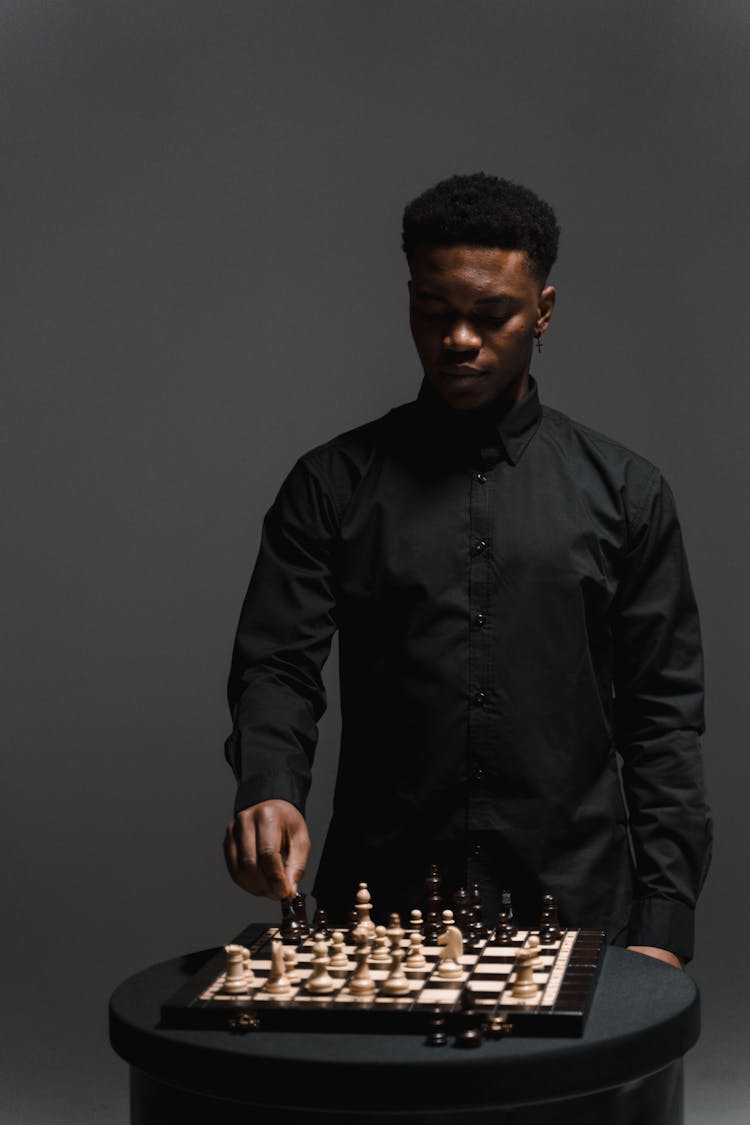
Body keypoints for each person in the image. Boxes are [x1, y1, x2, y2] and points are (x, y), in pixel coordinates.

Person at [222, 172, 712, 968]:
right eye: (434, 311)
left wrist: (664, 918)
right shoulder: (330, 485)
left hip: (579, 906)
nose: (458, 339)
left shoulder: (628, 493)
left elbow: (661, 718)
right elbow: (277, 664)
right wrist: (269, 785)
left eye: (491, 316)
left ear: (543, 311)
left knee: (574, 1100)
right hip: (382, 908)